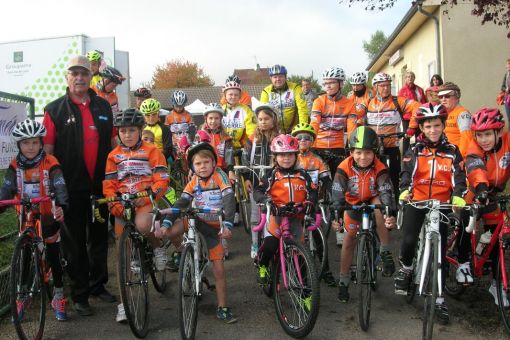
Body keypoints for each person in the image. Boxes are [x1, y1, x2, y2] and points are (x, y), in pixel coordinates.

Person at [43, 55, 115, 316]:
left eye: (84, 73)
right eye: (74, 73)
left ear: (90, 76)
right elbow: (48, 152)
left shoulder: (104, 107)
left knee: (98, 237)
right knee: (74, 243)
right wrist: (51, 185)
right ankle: (80, 294)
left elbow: (115, 145)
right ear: (67, 77)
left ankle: (98, 285)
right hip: (70, 188)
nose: (80, 78)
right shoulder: (54, 110)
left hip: (100, 185)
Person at [395, 103, 467, 325]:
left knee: (441, 253)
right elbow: (407, 172)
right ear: (422, 128)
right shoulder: (415, 149)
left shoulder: (453, 151)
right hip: (417, 200)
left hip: (442, 204)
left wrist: (457, 194)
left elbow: (459, 176)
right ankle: (407, 269)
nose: (433, 130)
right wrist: (405, 189)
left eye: (437, 125)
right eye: (428, 126)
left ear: (443, 125)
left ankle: (439, 300)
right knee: (407, 241)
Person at [103, 108, 169, 322]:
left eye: (132, 130)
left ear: (141, 130)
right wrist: (115, 206)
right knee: (122, 256)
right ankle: (124, 305)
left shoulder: (152, 151)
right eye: (123, 131)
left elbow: (162, 180)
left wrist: (150, 197)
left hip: (144, 201)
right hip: (122, 203)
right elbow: (109, 185)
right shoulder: (113, 156)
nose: (127, 134)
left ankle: (158, 247)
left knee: (142, 225)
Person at [159, 142, 238, 323]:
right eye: (198, 164)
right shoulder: (193, 181)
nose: (202, 166)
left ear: (213, 163)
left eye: (206, 162)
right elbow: (182, 202)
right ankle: (182, 252)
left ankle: (223, 307)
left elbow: (229, 199)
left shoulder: (220, 176)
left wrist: (227, 224)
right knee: (170, 231)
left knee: (218, 270)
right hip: (198, 221)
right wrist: (167, 221)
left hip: (214, 228)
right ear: (193, 167)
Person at [0, 119, 69, 321]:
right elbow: (6, 188)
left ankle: (58, 295)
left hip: (49, 214)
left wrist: (62, 206)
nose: (30, 147)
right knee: (25, 256)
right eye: (26, 143)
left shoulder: (51, 162)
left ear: (41, 144)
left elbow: (60, 185)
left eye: (35, 142)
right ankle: (22, 296)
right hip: (26, 214)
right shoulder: (14, 165)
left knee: (54, 253)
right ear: (19, 145)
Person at [331, 126, 396, 302]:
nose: (363, 157)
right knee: (349, 239)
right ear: (351, 151)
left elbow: (385, 191)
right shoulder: (343, 167)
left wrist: (390, 212)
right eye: (358, 153)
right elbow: (336, 193)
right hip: (351, 203)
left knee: (381, 206)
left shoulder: (380, 167)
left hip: (373, 197)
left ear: (375, 153)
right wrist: (336, 214)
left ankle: (385, 252)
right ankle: (343, 282)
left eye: (368, 153)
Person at [253, 134, 318, 290]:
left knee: (302, 257)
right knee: (270, 245)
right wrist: (267, 201)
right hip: (277, 216)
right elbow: (258, 191)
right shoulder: (272, 175)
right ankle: (262, 265)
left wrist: (310, 202)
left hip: (296, 218)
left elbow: (313, 191)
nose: (286, 158)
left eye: (290, 154)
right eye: (282, 155)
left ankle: (306, 293)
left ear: (296, 156)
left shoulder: (303, 175)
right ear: (275, 157)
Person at [464, 107, 510, 306]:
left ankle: (495, 282)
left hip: (495, 194)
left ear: (498, 132)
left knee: (494, 235)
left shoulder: (508, 142)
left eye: (488, 134)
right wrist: (481, 189)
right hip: (476, 190)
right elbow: (475, 169)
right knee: (465, 224)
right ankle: (463, 263)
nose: (484, 140)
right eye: (480, 135)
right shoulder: (474, 148)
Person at [291, 122, 336, 286]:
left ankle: (326, 270)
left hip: (313, 201)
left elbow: (326, 179)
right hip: (294, 203)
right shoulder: (290, 159)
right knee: (295, 237)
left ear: (312, 141)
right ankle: (294, 270)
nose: (303, 140)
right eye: (299, 137)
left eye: (307, 138)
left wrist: (332, 193)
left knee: (319, 237)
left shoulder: (317, 160)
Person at [362, 72, 419, 199]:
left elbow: (418, 107)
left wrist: (412, 127)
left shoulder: (398, 101)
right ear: (375, 87)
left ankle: (397, 202)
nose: (386, 88)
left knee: (394, 174)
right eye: (382, 86)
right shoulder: (369, 102)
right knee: (372, 174)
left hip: (392, 144)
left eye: (388, 85)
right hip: (373, 146)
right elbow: (355, 114)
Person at [242, 105, 279, 259]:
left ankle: (272, 241)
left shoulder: (279, 137)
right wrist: (247, 178)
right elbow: (245, 159)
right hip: (256, 180)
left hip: (274, 181)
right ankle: (255, 243)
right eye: (260, 119)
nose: (263, 122)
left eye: (267, 119)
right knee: (255, 216)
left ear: (273, 120)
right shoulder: (252, 138)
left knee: (273, 213)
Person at [310, 67, 358, 173]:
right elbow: (314, 124)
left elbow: (352, 130)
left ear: (341, 84)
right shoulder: (319, 101)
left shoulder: (349, 103)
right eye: (325, 83)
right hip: (318, 146)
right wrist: (310, 143)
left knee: (339, 179)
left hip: (337, 147)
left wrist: (354, 148)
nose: (328, 86)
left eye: (331, 82)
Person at [411, 82, 472, 157]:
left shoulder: (462, 114)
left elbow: (467, 138)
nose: (443, 99)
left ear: (457, 97)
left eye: (447, 96)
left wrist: (460, 158)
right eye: (440, 97)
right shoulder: (444, 112)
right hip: (445, 155)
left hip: (456, 156)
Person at [260, 64, 308, 133]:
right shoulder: (266, 92)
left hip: (294, 129)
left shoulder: (295, 88)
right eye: (275, 77)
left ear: (285, 77)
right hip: (274, 131)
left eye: (280, 76)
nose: (278, 79)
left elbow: (302, 109)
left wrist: (302, 128)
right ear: (271, 78)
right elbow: (263, 113)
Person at [221, 80, 256, 150]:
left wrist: (250, 141)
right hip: (222, 145)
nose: (233, 97)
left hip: (240, 147)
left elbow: (252, 128)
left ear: (240, 96)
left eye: (236, 95)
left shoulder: (246, 110)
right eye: (230, 94)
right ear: (225, 95)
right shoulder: (220, 110)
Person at [165, 90, 196, 157]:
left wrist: (190, 143)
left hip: (186, 144)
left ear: (184, 104)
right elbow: (166, 132)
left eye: (181, 106)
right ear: (173, 104)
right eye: (177, 106)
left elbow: (192, 131)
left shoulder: (189, 115)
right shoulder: (168, 116)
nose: (179, 108)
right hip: (173, 144)